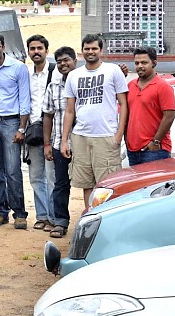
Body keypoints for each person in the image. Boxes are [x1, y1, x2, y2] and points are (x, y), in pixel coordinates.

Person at [60, 34, 129, 211]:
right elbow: (69, 110)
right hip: (81, 136)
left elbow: (123, 104)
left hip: (106, 136)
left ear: (101, 51)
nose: (90, 52)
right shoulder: (74, 76)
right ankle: (90, 217)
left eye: (94, 49)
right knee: (86, 183)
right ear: (82, 51)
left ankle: (107, 217)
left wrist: (118, 136)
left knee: (107, 184)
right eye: (87, 49)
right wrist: (64, 140)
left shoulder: (113, 71)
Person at [0, 33, 31, 230]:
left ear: (3, 47)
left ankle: (19, 213)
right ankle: (0, 212)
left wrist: (22, 127)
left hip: (11, 123)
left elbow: (24, 99)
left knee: (12, 170)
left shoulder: (18, 68)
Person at [42, 46, 77, 239]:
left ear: (75, 61)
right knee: (61, 184)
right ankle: (60, 221)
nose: (63, 64)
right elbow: (47, 116)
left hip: (82, 143)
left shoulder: (84, 84)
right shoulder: (53, 87)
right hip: (58, 144)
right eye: (60, 61)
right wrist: (47, 144)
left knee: (91, 183)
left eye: (67, 60)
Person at [25, 34, 56, 231]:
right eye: (32, 49)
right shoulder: (26, 74)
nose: (36, 52)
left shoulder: (56, 72)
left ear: (46, 50)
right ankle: (42, 215)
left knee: (52, 177)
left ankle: (54, 218)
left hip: (53, 132)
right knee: (36, 176)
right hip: (32, 132)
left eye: (39, 48)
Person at [125, 46, 175, 166]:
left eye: (144, 62)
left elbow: (169, 116)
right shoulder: (130, 85)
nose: (140, 66)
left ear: (154, 63)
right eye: (136, 63)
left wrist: (156, 142)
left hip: (154, 150)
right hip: (132, 150)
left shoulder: (163, 87)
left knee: (154, 185)